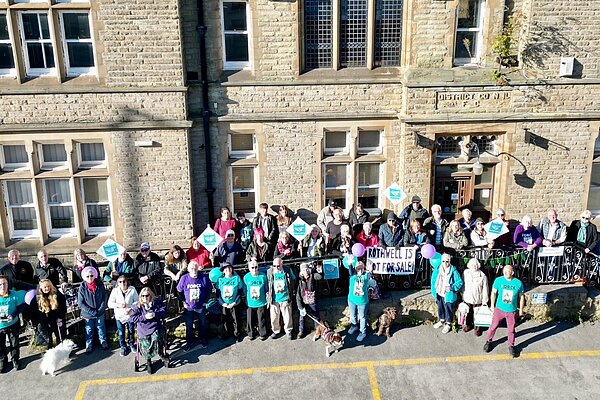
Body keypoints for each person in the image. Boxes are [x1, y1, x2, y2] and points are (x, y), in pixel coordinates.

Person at [484, 265, 525, 358]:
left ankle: (511, 345)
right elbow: (493, 293)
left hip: (512, 311)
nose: (506, 273)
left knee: (511, 330)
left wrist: (521, 310)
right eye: (504, 271)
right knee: (493, 326)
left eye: (508, 271)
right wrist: (492, 305)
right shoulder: (498, 280)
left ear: (513, 272)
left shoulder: (518, 283)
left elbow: (521, 296)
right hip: (499, 309)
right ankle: (488, 341)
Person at [129, 287, 170, 374]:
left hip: (155, 327)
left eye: (147, 295)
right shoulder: (138, 306)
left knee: (157, 338)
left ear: (150, 295)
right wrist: (144, 317)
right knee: (145, 342)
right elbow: (132, 318)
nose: (144, 298)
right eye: (143, 296)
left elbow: (164, 311)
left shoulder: (157, 302)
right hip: (143, 329)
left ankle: (161, 354)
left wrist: (155, 314)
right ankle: (148, 360)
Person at [177, 261, 212, 351]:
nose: (194, 270)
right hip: (189, 307)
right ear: (188, 269)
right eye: (192, 268)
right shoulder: (184, 278)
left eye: (195, 268)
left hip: (200, 306)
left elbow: (209, 290)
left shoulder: (204, 277)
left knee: (203, 324)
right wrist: (183, 302)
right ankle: (189, 343)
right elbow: (179, 291)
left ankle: (203, 340)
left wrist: (205, 301)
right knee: (189, 326)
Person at [77, 266, 108, 353]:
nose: (90, 278)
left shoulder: (100, 284)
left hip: (99, 312)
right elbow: (80, 303)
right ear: (84, 277)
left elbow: (104, 297)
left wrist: (101, 309)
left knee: (101, 327)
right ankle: (89, 344)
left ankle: (103, 341)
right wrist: (91, 311)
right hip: (88, 314)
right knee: (89, 329)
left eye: (91, 275)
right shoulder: (82, 287)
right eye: (88, 276)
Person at [430, 253, 463, 334]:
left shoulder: (453, 270)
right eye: (443, 261)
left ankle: (448, 323)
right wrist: (434, 292)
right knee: (440, 307)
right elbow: (433, 281)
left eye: (447, 261)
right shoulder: (438, 269)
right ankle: (441, 320)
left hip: (448, 294)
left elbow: (459, 282)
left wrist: (452, 287)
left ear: (450, 261)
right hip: (439, 292)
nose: (445, 263)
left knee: (449, 309)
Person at [0, 275, 27, 372]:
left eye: (4, 284)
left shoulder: (14, 294)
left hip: (12, 324)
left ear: (8, 284)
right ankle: (3, 361)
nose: (3, 286)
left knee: (14, 343)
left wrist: (14, 314)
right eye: (0, 284)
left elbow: (22, 305)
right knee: (1, 345)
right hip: (0, 326)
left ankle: (15, 359)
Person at [107, 275, 139, 356]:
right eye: (120, 282)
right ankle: (123, 347)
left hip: (130, 314)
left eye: (124, 281)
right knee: (121, 332)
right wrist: (118, 305)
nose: (122, 283)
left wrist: (131, 308)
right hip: (119, 315)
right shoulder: (115, 291)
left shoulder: (132, 289)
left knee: (131, 330)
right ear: (117, 283)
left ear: (127, 281)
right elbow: (110, 303)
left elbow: (137, 301)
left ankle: (132, 345)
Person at [32, 279, 67, 350]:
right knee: (48, 338)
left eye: (48, 286)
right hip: (45, 320)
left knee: (60, 336)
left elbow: (63, 307)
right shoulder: (37, 298)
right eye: (45, 287)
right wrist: (39, 322)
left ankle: (62, 350)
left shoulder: (57, 294)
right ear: (41, 288)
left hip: (57, 319)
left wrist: (61, 317)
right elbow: (34, 311)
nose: (47, 288)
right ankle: (50, 351)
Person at [267, 257, 296, 340]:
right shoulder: (270, 272)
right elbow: (267, 285)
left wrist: (291, 294)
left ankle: (288, 331)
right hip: (274, 298)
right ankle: (276, 331)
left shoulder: (287, 270)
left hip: (285, 297)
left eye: (278, 266)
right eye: (274, 266)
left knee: (287, 316)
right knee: (274, 317)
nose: (276, 267)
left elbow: (293, 279)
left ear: (282, 263)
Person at [216, 262, 244, 340]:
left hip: (234, 303)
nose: (228, 269)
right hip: (224, 304)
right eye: (226, 268)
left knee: (236, 319)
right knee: (225, 319)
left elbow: (240, 291)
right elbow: (218, 294)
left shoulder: (237, 278)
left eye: (229, 268)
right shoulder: (220, 280)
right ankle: (226, 334)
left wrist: (235, 302)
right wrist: (223, 303)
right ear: (223, 271)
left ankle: (237, 334)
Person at [461, 259, 489, 336]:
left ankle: (477, 329)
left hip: (478, 298)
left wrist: (485, 300)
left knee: (477, 315)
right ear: (469, 265)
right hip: (467, 297)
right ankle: (468, 325)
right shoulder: (466, 273)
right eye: (472, 265)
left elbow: (485, 289)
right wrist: (462, 293)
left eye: (475, 265)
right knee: (468, 313)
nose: (474, 266)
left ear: (478, 266)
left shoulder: (482, 276)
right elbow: (463, 284)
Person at [296, 262, 323, 338]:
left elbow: (319, 277)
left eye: (307, 270)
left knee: (316, 316)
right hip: (304, 301)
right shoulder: (300, 282)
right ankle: (301, 331)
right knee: (301, 317)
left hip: (312, 301)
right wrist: (300, 307)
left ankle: (317, 331)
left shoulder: (312, 276)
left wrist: (319, 272)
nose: (306, 272)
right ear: (301, 273)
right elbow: (298, 296)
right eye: (304, 270)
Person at [244, 260, 269, 340]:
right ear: (249, 268)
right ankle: (251, 334)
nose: (254, 269)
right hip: (250, 302)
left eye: (256, 267)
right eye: (252, 267)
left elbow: (266, 288)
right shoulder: (246, 277)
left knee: (261, 318)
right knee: (250, 319)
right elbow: (245, 289)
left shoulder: (263, 276)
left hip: (261, 301)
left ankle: (263, 333)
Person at [346, 261, 370, 342]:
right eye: (358, 268)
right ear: (355, 269)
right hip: (352, 300)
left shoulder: (365, 276)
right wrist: (350, 263)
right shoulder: (352, 276)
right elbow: (350, 269)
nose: (359, 270)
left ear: (364, 268)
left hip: (362, 302)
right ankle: (354, 326)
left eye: (361, 268)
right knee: (353, 315)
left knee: (362, 317)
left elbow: (368, 274)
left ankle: (362, 332)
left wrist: (368, 270)